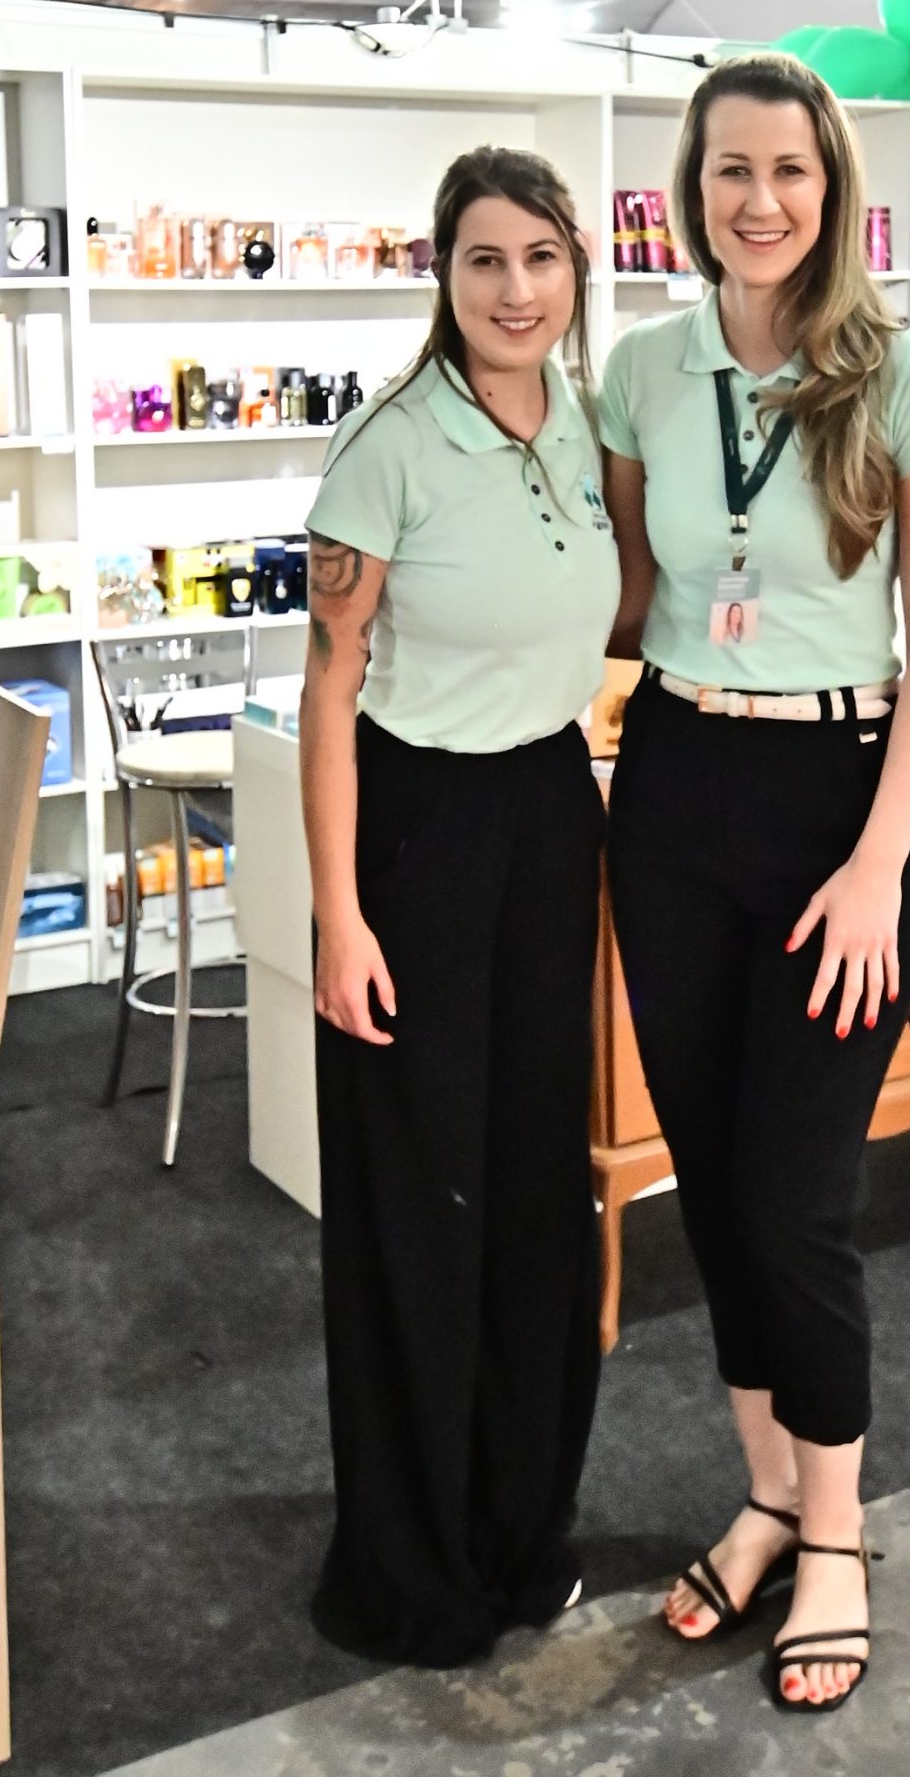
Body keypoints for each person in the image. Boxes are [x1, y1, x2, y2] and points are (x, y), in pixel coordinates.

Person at [599, 54, 910, 1716]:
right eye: (729, 171)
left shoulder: (908, 379)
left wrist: (879, 866)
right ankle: (764, 1496)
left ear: (833, 189)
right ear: (689, 192)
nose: (759, 201)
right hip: (675, 785)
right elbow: (624, 596)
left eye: (789, 171)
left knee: (798, 1196)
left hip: (842, 801)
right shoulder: (642, 369)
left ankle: (834, 1535)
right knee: (713, 1180)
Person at [299, 145, 619, 1668]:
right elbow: (330, 688)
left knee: (538, 1191)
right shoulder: (385, 449)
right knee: (420, 1202)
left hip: (551, 813)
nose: (515, 289)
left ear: (575, 272)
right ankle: (408, 1569)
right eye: (486, 259)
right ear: (443, 272)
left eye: (541, 258)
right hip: (416, 829)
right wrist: (340, 915)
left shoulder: (586, 423)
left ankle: (518, 1533)